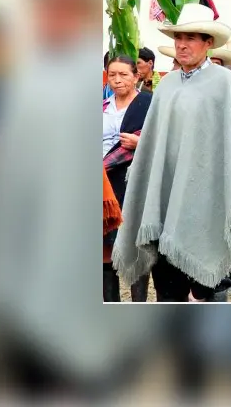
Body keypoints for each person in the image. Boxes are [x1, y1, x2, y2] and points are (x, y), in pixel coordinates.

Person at [112, 2, 231, 302]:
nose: (182, 44)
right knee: (168, 291)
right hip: (166, 206)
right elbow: (154, 149)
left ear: (208, 43)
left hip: (207, 202)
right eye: (179, 37)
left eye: (191, 37)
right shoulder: (166, 86)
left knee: (204, 292)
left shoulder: (225, 83)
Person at [102, 55, 153, 302]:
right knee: (104, 251)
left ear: (136, 76)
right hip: (103, 186)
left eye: (123, 74)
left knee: (135, 248)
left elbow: (163, 140)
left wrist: (139, 142)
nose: (117, 80)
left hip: (132, 183)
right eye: (112, 75)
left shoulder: (148, 103)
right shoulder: (102, 107)